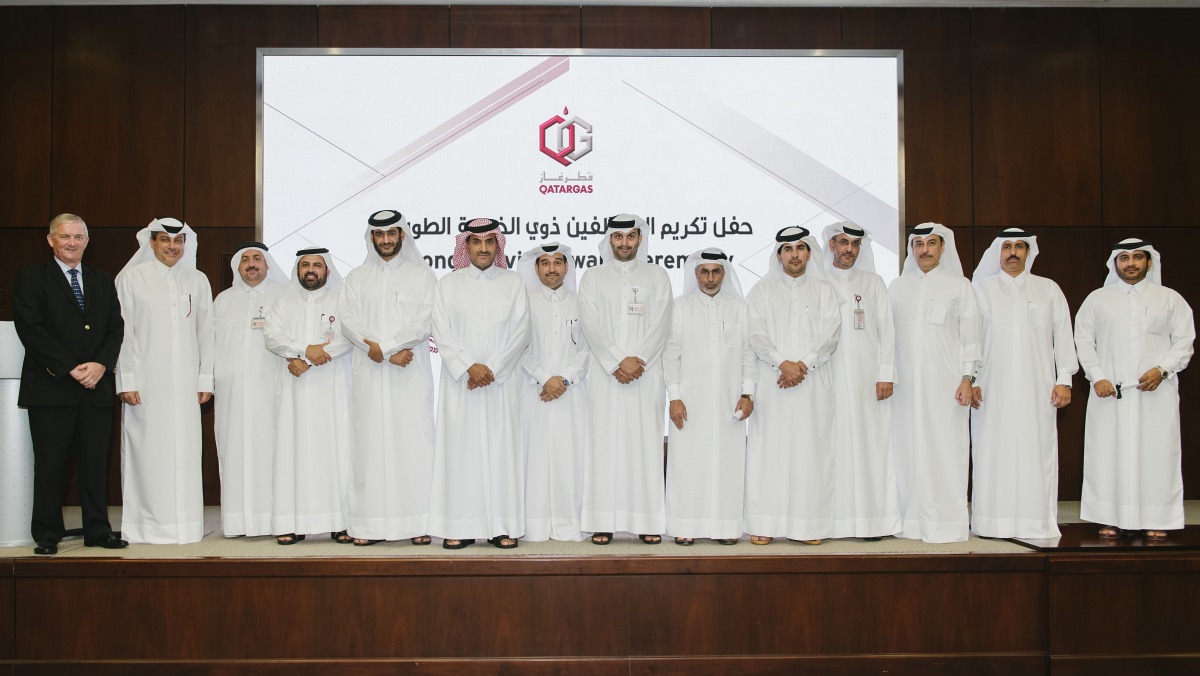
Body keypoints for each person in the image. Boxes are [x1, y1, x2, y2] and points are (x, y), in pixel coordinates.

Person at [14, 213, 127, 555]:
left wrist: (101, 365)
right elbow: (30, 329)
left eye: (79, 237)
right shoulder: (31, 278)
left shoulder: (103, 280)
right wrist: (70, 369)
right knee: (51, 464)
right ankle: (47, 534)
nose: (72, 243)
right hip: (52, 387)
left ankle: (97, 530)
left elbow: (114, 329)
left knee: (95, 464)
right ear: (51, 240)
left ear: (87, 242)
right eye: (65, 236)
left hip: (96, 387)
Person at [1075, 239, 1194, 540]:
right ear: (1115, 264)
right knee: (1108, 454)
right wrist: (1097, 376)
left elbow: (1184, 341)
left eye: (1137, 257)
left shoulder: (1170, 299)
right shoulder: (1098, 299)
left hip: (1156, 391)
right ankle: (1110, 517)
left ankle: (1158, 517)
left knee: (1156, 454)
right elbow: (1084, 341)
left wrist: (1162, 369)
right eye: (1124, 258)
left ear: (1149, 262)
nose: (1131, 263)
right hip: (1109, 393)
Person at [429, 218, 531, 550]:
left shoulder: (514, 282)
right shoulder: (448, 284)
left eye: (489, 242)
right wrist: (468, 367)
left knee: (503, 453)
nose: (483, 248)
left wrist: (492, 369)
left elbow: (521, 332)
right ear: (466, 246)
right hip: (462, 385)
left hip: (501, 385)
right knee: (460, 454)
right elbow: (441, 332)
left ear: (498, 246)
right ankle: (459, 525)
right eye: (476, 242)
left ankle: (503, 526)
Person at [969, 228, 1078, 539]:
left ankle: (1035, 521)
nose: (1013, 252)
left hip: (1038, 388)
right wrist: (971, 378)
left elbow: (1064, 337)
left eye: (1020, 246)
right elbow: (970, 338)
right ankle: (992, 522)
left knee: (1038, 451)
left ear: (1029, 252)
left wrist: (1064, 379)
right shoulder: (981, 290)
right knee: (992, 451)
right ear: (997, 252)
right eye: (1007, 246)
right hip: (992, 387)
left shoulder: (1048, 290)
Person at [339, 210, 438, 547]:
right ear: (371, 238)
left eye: (391, 234)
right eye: (379, 235)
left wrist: (389, 347)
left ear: (402, 237)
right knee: (368, 447)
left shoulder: (422, 276)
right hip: (369, 374)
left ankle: (417, 523)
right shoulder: (355, 278)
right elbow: (348, 321)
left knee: (412, 445)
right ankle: (366, 526)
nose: (385, 240)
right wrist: (378, 350)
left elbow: (425, 321)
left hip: (409, 373)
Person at [115, 218, 214, 544]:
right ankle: (145, 527)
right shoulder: (131, 278)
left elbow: (206, 333)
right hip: (145, 384)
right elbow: (123, 333)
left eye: (178, 240)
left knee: (185, 453)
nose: (172, 246)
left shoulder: (197, 279)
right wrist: (126, 379)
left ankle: (185, 527)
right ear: (152, 242)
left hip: (186, 385)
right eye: (165, 240)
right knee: (147, 451)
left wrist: (205, 380)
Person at [578, 214, 673, 545]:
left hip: (645, 376)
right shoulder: (592, 277)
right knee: (603, 446)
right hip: (606, 376)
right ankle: (602, 521)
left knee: (644, 445)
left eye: (630, 237)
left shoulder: (657, 276)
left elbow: (662, 323)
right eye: (617, 237)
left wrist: (638, 360)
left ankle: (647, 521)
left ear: (640, 239)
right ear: (609, 240)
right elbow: (590, 322)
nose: (624, 243)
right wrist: (617, 360)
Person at [744, 226, 842, 546]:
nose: (795, 255)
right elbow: (755, 334)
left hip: (813, 382)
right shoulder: (761, 291)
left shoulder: (825, 291)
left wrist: (803, 365)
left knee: (810, 452)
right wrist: (781, 363)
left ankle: (808, 525)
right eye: (788, 249)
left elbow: (831, 335)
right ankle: (765, 523)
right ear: (779, 256)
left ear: (809, 254)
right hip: (774, 383)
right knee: (768, 452)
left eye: (800, 248)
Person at [889, 222, 979, 543]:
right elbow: (886, 337)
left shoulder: (960, 285)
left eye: (931, 243)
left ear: (943, 248)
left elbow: (971, 336)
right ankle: (909, 522)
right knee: (906, 449)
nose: (924, 250)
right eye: (918, 244)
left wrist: (968, 377)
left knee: (945, 449)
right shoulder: (897, 287)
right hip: (904, 388)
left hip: (947, 386)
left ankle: (946, 523)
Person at [663, 247, 755, 546]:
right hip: (690, 401)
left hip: (730, 402)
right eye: (705, 272)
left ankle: (727, 527)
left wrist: (748, 393)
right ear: (696, 274)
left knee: (728, 463)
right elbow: (670, 355)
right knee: (687, 463)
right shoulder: (680, 308)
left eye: (716, 272)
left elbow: (748, 355)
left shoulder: (740, 307)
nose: (710, 278)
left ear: (724, 274)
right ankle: (685, 525)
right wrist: (674, 397)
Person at [264, 248, 354, 545]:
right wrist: (303, 350)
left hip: (331, 388)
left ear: (327, 270)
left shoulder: (341, 301)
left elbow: (347, 339)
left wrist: (309, 359)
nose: (311, 270)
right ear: (298, 270)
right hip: (294, 390)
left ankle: (340, 523)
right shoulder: (282, 302)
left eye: (317, 265)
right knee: (293, 452)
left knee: (335, 451)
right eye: (305, 265)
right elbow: (273, 337)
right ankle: (292, 523)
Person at [820, 222, 900, 541]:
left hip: (869, 380)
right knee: (831, 446)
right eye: (843, 243)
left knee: (870, 447)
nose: (849, 249)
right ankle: (831, 522)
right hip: (828, 377)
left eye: (854, 244)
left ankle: (871, 522)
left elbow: (887, 331)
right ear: (831, 246)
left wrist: (886, 373)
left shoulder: (874, 282)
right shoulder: (817, 281)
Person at [212, 241, 288, 538]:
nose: (251, 264)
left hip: (271, 389)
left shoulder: (282, 296)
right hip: (231, 393)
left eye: (257, 258)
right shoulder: (223, 300)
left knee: (270, 452)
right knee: (232, 452)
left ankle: (273, 520)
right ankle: (236, 522)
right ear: (237, 267)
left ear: (268, 264)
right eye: (245, 259)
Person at [517, 241, 590, 542]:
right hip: (534, 391)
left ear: (567, 267)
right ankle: (533, 526)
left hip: (571, 394)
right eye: (545, 263)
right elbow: (516, 346)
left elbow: (589, 347)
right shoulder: (523, 301)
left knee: (569, 458)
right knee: (533, 459)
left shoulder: (581, 302)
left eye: (557, 262)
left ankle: (567, 525)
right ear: (536, 269)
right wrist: (545, 377)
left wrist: (566, 379)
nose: (551, 269)